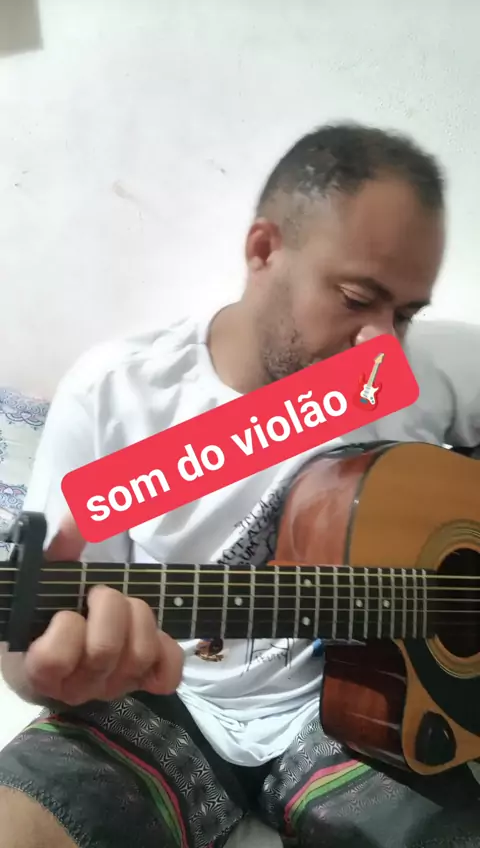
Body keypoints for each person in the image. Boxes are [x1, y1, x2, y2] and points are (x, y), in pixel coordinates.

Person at [1, 122, 480, 848]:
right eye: (357, 297)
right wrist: (40, 674)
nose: (382, 341)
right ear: (263, 249)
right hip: (166, 701)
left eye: (406, 314)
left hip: (365, 708)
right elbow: (34, 624)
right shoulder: (115, 393)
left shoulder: (423, 367)